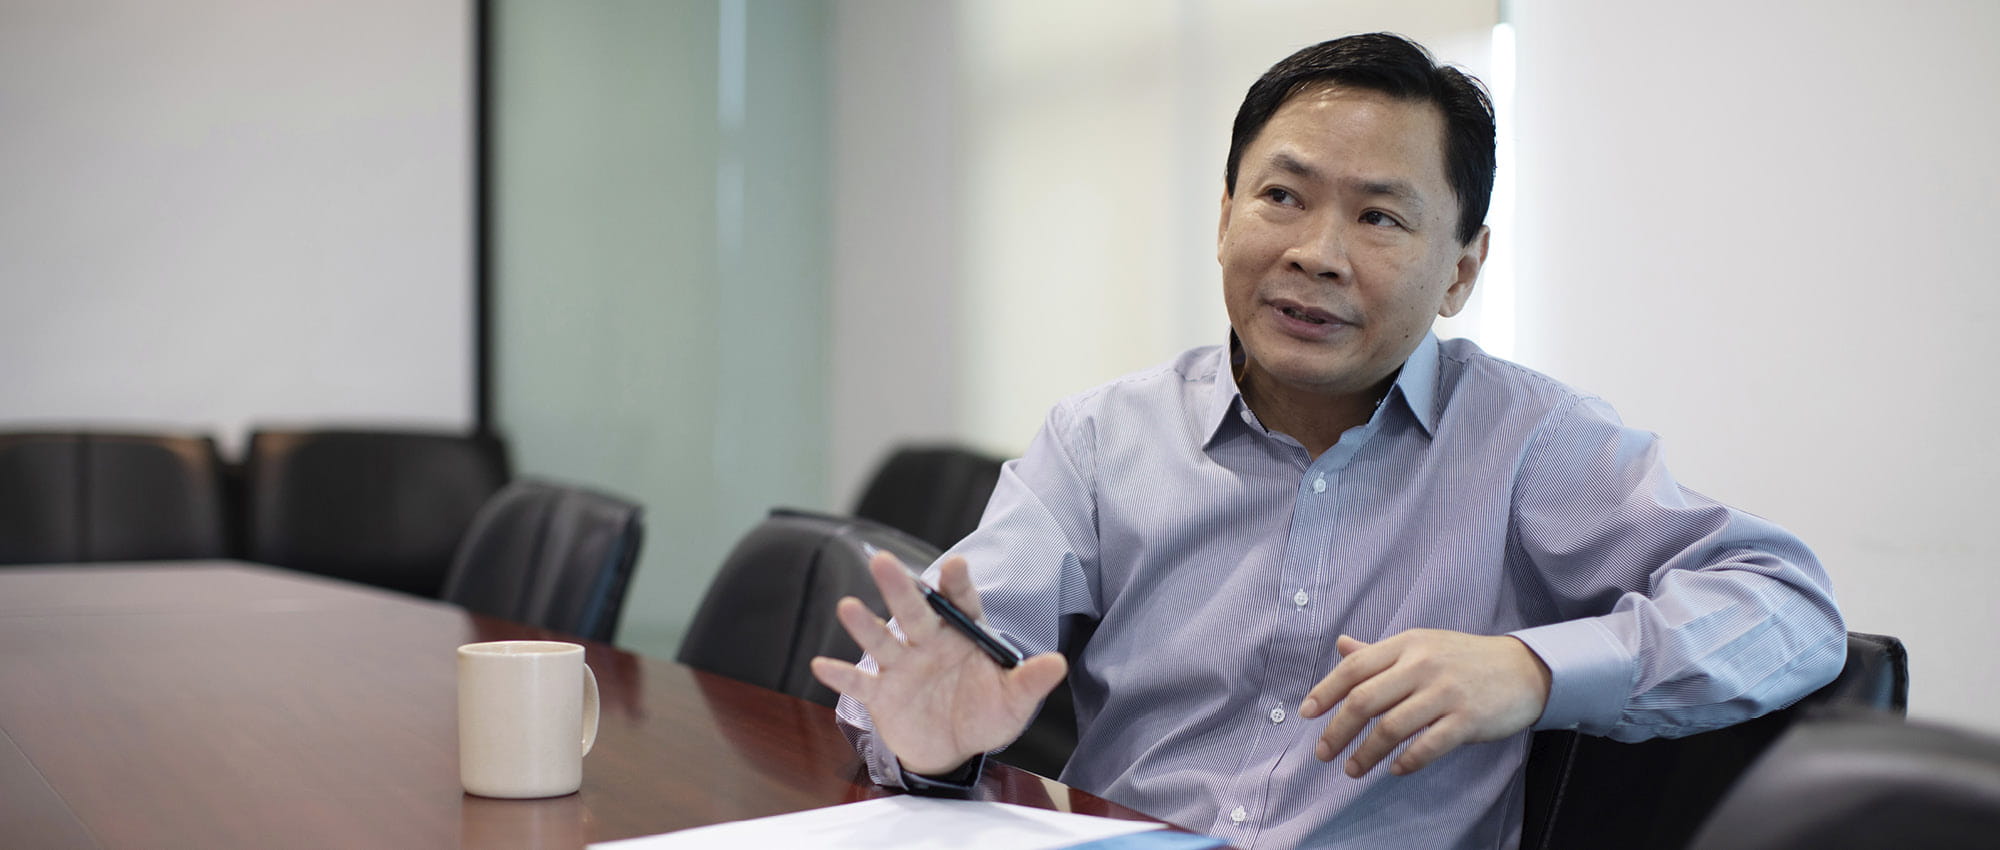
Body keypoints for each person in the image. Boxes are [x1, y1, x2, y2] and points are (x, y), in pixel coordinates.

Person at [811, 32, 1844, 849]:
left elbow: (1785, 606)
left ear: (1460, 270)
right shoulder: (1099, 437)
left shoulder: (1531, 441)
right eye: (1281, 197)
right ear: (1223, 216)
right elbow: (947, 673)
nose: (1314, 254)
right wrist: (929, 748)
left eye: (1380, 219)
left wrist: (1529, 671)